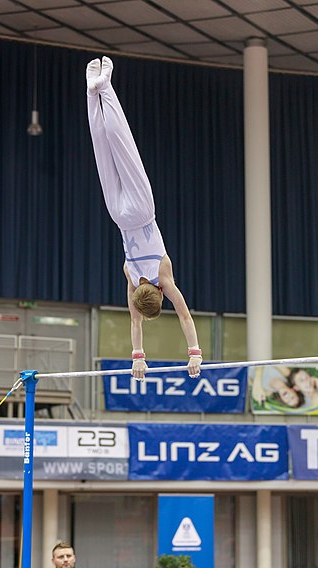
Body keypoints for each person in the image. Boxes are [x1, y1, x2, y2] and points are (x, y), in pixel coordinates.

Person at [86, 56, 202, 381]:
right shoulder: (130, 277)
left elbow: (185, 317)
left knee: (123, 144)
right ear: (139, 298)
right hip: (118, 216)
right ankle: (92, 91)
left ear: (161, 294)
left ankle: (106, 86)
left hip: (141, 210)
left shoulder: (163, 277)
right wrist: (137, 358)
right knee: (103, 149)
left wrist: (195, 354)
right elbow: (134, 322)